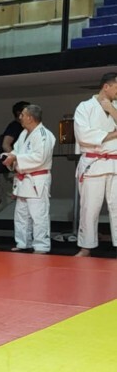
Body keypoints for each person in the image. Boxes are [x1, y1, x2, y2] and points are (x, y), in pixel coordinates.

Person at [73, 70, 117, 258]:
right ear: (106, 86)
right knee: (89, 208)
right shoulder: (84, 107)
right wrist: (114, 134)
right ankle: (86, 247)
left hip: (115, 164)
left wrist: (112, 110)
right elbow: (84, 136)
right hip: (93, 162)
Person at [3, 103, 55, 253]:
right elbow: (16, 151)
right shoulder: (24, 133)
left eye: (23, 115)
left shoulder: (44, 134)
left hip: (37, 179)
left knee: (38, 215)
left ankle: (41, 245)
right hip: (23, 179)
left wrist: (15, 158)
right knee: (21, 214)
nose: (20, 117)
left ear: (30, 118)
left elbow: (40, 157)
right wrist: (9, 157)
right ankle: (23, 243)